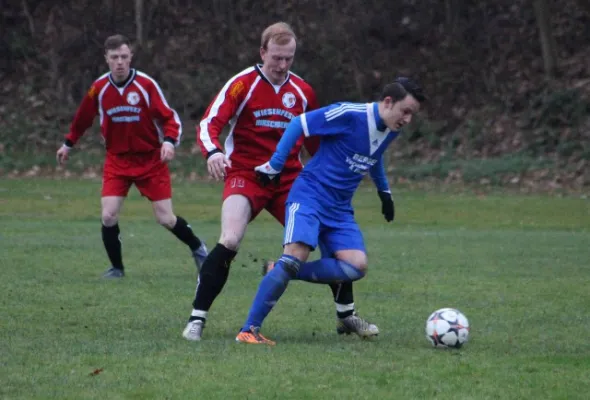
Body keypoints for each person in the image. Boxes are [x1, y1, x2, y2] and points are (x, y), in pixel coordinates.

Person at [183, 22, 377, 341]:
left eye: (289, 58)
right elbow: (209, 122)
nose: (282, 65)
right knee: (230, 239)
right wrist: (213, 153)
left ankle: (347, 317)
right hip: (246, 175)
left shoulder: (302, 92)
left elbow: (319, 143)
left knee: (331, 238)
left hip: (289, 180)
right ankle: (196, 319)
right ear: (263, 53)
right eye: (277, 58)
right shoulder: (241, 85)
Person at [235, 77, 425, 345]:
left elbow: (375, 155)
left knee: (356, 266)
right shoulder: (349, 114)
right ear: (388, 102)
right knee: (294, 257)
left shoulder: (391, 128)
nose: (407, 119)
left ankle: (280, 272)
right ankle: (248, 330)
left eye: (412, 115)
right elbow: (298, 123)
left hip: (340, 210)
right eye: (405, 111)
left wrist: (385, 192)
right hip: (310, 197)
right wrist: (275, 164)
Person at [56, 34, 208, 278]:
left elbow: (170, 118)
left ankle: (199, 249)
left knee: (166, 218)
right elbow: (83, 118)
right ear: (106, 58)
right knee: (108, 215)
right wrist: (68, 144)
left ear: (130, 58)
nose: (119, 62)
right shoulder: (99, 88)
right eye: (114, 57)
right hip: (118, 160)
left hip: (150, 160)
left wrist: (169, 142)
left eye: (124, 57)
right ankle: (117, 269)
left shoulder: (145, 85)